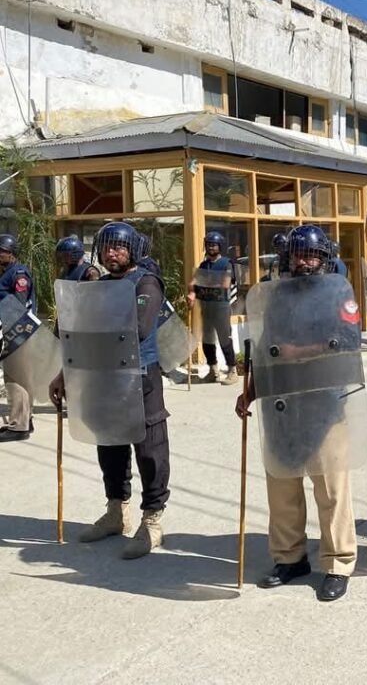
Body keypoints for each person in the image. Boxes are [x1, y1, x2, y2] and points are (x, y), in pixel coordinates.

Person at [235, 225, 361, 601]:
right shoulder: (275, 297)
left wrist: (300, 351)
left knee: (331, 489)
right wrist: (252, 391)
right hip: (282, 402)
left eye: (311, 255)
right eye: (298, 255)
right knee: (283, 486)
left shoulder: (339, 294)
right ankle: (290, 558)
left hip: (326, 402)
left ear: (324, 258)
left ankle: (338, 562)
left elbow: (349, 341)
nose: (304, 261)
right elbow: (263, 346)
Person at [49, 222, 171, 558]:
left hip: (141, 377)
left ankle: (152, 520)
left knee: (149, 450)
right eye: (106, 247)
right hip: (102, 377)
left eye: (118, 247)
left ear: (132, 250)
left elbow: (139, 329)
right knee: (110, 444)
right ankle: (117, 511)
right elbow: (78, 333)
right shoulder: (98, 286)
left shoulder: (146, 282)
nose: (111, 253)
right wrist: (65, 374)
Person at [187, 231, 239, 385]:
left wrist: (204, 284)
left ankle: (232, 370)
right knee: (207, 340)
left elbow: (224, 285)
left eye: (214, 245)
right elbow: (194, 282)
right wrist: (192, 293)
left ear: (220, 246)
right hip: (205, 304)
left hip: (221, 305)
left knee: (224, 338)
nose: (211, 247)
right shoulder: (203, 265)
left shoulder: (226, 264)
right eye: (209, 244)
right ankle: (213, 370)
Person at [0, 235, 36, 442]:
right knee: (20, 376)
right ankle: (25, 419)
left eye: (1, 251)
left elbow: (18, 303)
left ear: (10, 253)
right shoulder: (8, 272)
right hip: (15, 327)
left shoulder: (19, 273)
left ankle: (18, 426)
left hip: (19, 328)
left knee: (15, 377)